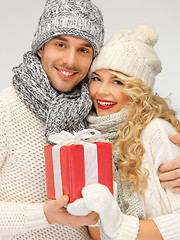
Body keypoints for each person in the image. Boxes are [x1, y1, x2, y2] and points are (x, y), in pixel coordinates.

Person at [0, 0, 104, 239]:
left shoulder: (97, 112)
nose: (70, 60)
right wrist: (44, 214)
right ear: (41, 48)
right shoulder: (5, 108)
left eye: (83, 49)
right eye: (60, 44)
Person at [67, 24, 180, 239]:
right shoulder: (87, 135)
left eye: (118, 81)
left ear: (138, 89)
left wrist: (121, 229)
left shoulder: (155, 131)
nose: (101, 91)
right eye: (96, 78)